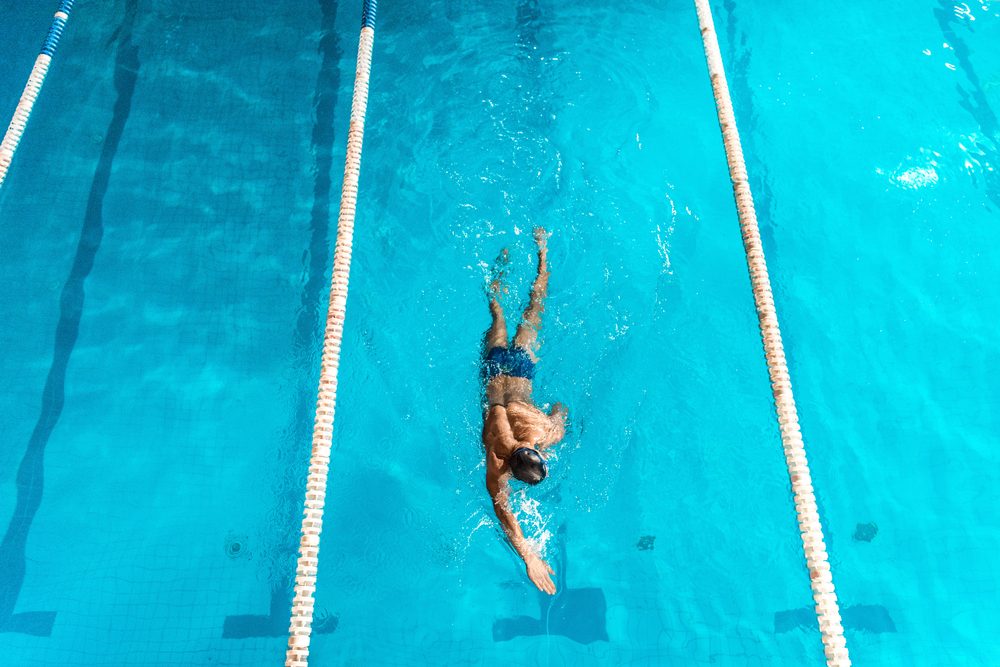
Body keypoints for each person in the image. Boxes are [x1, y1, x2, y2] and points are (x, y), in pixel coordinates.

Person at [482, 227, 567, 595]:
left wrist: (558, 421)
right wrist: (529, 555)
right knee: (503, 314)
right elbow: (502, 512)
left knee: (528, 311)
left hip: (520, 372)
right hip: (496, 371)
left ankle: (540, 256)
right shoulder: (499, 458)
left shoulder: (538, 434)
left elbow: (560, 411)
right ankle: (541, 254)